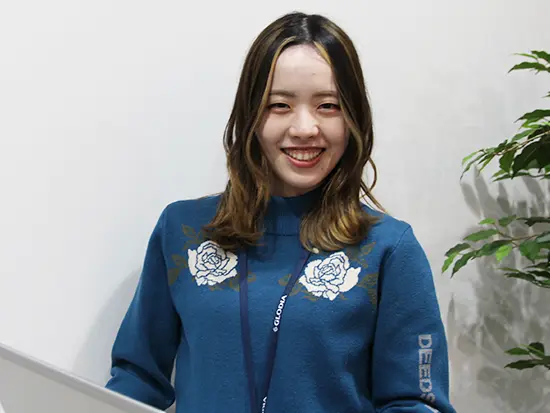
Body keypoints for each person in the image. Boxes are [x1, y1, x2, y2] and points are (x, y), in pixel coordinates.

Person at [105, 11, 456, 413]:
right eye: (279, 105)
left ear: (353, 118)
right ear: (251, 115)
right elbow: (137, 378)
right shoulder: (182, 230)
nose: (304, 128)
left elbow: (416, 401)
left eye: (328, 105)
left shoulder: (390, 249)